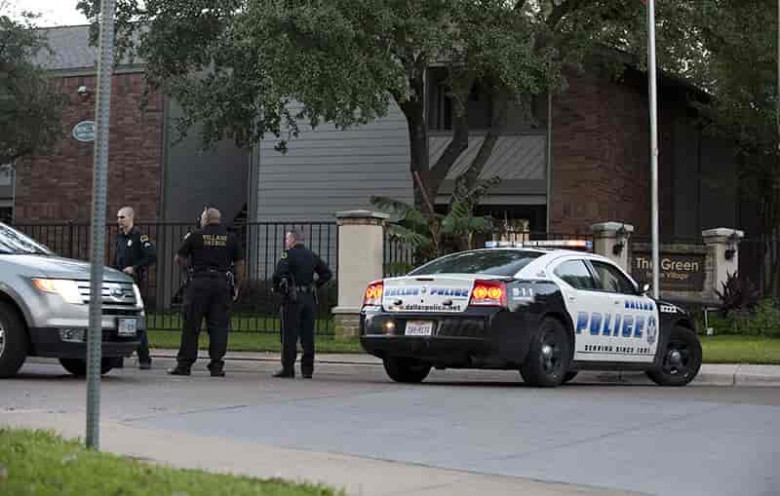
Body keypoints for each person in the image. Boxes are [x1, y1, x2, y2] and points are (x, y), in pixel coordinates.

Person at [168, 207, 245, 377]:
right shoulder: (230, 238)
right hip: (221, 285)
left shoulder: (195, 235)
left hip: (199, 283)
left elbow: (179, 258)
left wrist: (188, 272)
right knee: (219, 327)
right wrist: (237, 286)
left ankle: (185, 365)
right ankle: (216, 366)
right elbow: (240, 264)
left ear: (206, 219)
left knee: (191, 325)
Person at [272, 228, 332, 379]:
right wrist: (315, 285)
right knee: (308, 335)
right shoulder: (311, 255)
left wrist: (278, 288)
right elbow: (327, 273)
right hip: (309, 299)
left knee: (289, 334)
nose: (286, 242)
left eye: (287, 239)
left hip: (293, 298)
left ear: (292, 240)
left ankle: (288, 368)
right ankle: (307, 370)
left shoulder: (288, 254)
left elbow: (278, 274)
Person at [113, 206, 157, 369]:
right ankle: (117, 358)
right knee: (119, 319)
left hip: (134, 283)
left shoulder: (139, 236)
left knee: (135, 319)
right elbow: (116, 260)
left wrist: (135, 268)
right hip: (120, 284)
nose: (119, 220)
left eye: (122, 217)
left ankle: (144, 358)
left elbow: (152, 256)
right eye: (118, 217)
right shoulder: (120, 238)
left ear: (131, 218)